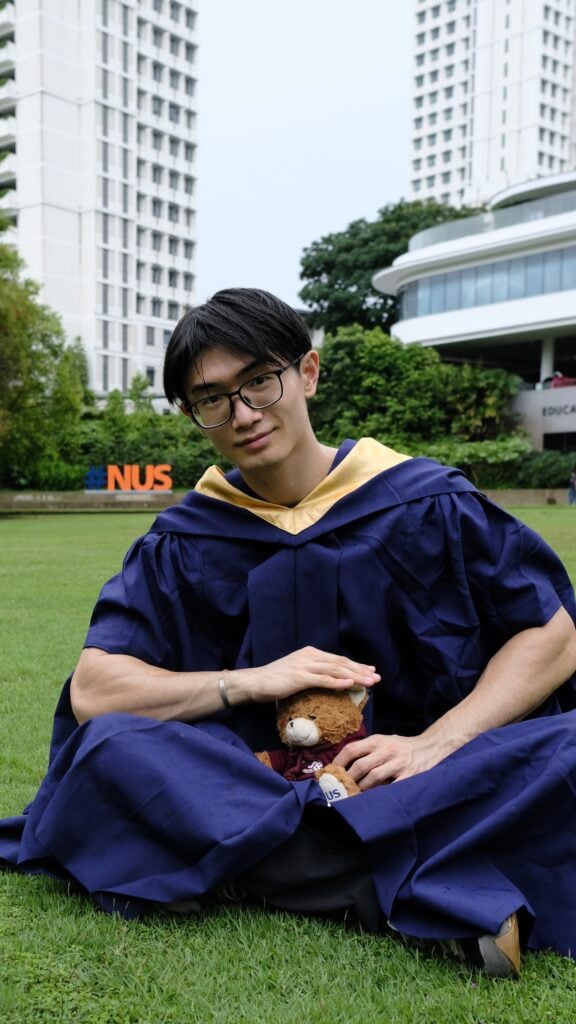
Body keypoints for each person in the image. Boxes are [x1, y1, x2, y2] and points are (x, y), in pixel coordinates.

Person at [1, 288, 576, 979]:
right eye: (212, 399)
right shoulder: (184, 540)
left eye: (259, 383)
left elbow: (553, 635)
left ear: (306, 373)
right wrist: (249, 681)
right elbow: (96, 690)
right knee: (111, 748)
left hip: (421, 772)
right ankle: (389, 885)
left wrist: (434, 744)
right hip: (257, 781)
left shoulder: (428, 501)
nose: (242, 414)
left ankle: (263, 866)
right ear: (193, 415)